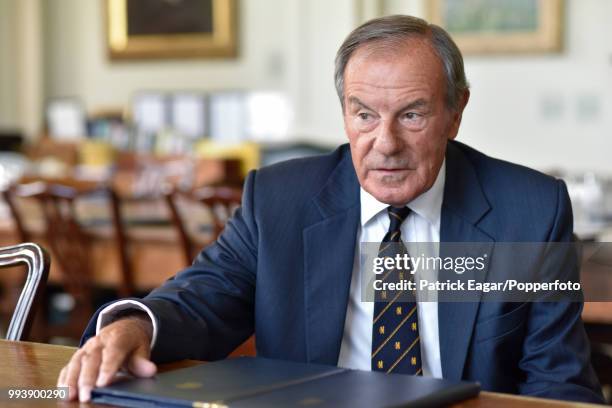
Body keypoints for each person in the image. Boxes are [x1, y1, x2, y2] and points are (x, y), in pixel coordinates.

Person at [58, 15, 603, 403]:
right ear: (344, 109)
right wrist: (134, 323)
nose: (385, 143)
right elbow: (203, 299)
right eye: (363, 115)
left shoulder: (528, 211)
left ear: (456, 112)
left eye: (411, 115)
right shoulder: (280, 202)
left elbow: (558, 383)